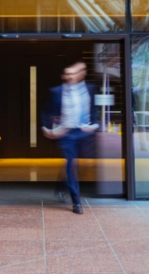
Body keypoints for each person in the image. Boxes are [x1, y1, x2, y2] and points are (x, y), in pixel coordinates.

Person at [42, 61, 98, 214]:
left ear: (80, 74)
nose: (70, 76)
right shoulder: (56, 91)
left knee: (83, 165)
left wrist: (93, 125)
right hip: (66, 133)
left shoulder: (90, 89)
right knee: (71, 165)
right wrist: (47, 128)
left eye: (73, 73)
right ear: (64, 76)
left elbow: (94, 111)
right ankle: (76, 202)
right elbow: (46, 111)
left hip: (84, 131)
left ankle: (61, 186)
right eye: (67, 74)